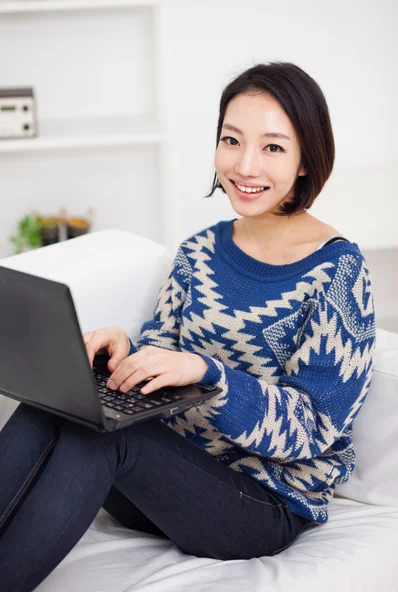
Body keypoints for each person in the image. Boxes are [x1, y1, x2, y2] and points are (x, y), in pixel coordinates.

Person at [0, 62, 376, 592]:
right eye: (231, 140)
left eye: (272, 147)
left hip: (262, 503)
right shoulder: (199, 250)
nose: (245, 165)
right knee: (57, 401)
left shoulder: (337, 272)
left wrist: (211, 374)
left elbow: (314, 427)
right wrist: (125, 350)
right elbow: (163, 353)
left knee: (103, 443)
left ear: (306, 160)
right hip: (167, 481)